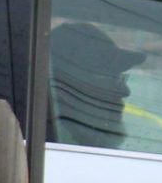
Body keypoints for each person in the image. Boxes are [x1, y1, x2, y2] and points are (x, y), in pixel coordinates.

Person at [50, 21, 144, 149]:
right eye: (111, 77)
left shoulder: (60, 149)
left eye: (120, 78)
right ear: (66, 86)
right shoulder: (60, 156)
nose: (125, 91)